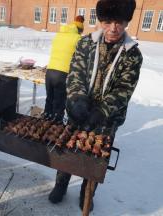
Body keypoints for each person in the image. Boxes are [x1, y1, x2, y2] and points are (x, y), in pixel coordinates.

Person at [49, 0, 142, 211]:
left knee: (95, 159)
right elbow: (75, 75)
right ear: (100, 21)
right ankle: (60, 185)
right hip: (78, 112)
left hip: (107, 119)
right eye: (107, 21)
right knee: (68, 149)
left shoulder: (133, 55)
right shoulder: (85, 44)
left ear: (127, 21)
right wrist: (77, 100)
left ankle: (86, 193)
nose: (113, 28)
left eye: (119, 22)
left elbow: (123, 90)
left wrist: (101, 112)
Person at [44, 16, 84, 122]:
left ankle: (45, 122)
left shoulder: (59, 35)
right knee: (59, 103)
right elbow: (81, 59)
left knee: (49, 100)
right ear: (79, 30)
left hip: (50, 72)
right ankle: (56, 124)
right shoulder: (78, 39)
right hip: (62, 74)